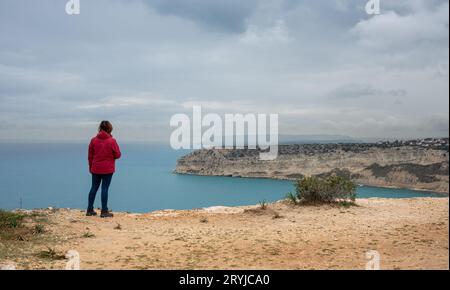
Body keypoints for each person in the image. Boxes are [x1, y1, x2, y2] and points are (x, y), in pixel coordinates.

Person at [86, 121, 121, 218]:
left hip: (95, 168)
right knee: (104, 188)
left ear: (100, 128)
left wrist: (90, 167)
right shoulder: (112, 141)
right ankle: (104, 211)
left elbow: (90, 156)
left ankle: (89, 210)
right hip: (108, 169)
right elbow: (118, 155)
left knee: (93, 188)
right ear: (109, 129)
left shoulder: (93, 140)